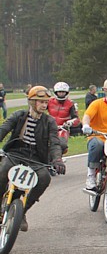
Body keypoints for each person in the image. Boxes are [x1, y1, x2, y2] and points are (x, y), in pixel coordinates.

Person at [0, 86, 65, 231]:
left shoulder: (49, 122)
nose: (44, 105)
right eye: (40, 101)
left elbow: (54, 142)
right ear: (31, 102)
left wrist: (57, 160)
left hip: (36, 158)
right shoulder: (19, 115)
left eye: (46, 102)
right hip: (15, 153)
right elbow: (3, 129)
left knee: (44, 178)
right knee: (3, 169)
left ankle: (22, 211)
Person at [48, 81, 80, 153]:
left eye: (63, 92)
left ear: (67, 92)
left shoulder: (71, 103)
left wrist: (70, 122)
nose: (61, 94)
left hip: (63, 128)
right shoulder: (49, 101)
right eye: (59, 92)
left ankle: (59, 159)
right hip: (50, 127)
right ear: (55, 92)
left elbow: (77, 119)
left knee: (62, 145)